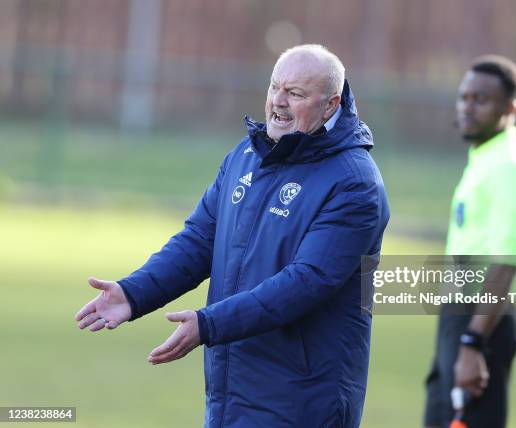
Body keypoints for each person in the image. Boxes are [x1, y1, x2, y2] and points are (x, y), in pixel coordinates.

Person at [75, 44, 390, 428]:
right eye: (275, 87)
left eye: (296, 94)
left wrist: (209, 324)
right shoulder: (246, 156)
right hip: (232, 393)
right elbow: (198, 242)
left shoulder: (355, 183)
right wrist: (135, 292)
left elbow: (306, 283)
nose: (278, 102)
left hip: (304, 401)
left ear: (330, 104)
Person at [424, 55, 516, 428]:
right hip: (462, 317)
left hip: (481, 322)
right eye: (464, 97)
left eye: (481, 99)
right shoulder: (486, 157)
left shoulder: (509, 167)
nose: (468, 107)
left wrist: (473, 344)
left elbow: (504, 264)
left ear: (510, 108)